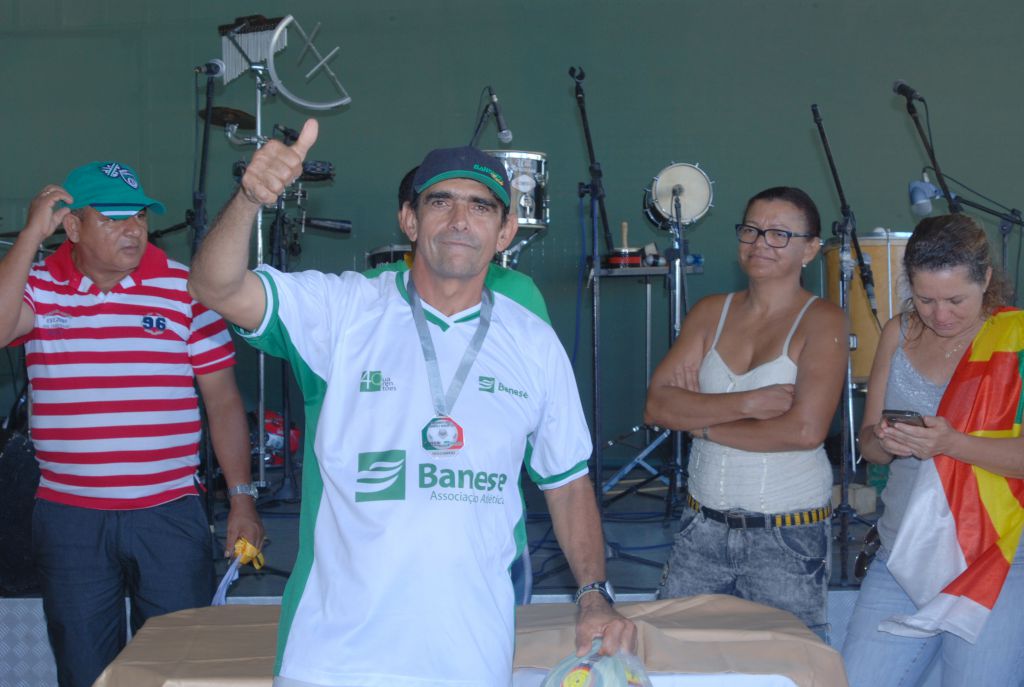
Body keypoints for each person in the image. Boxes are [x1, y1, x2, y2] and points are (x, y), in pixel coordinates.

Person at [188, 121, 636, 687]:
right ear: (409, 219)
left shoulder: (533, 343)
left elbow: (567, 483)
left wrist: (594, 594)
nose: (459, 220)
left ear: (505, 232)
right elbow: (216, 286)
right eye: (440, 201)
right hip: (332, 662)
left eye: (481, 206)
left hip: (469, 661)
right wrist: (250, 198)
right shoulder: (344, 311)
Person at [0, 161, 264, 687]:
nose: (133, 230)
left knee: (178, 668)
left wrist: (241, 497)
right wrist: (30, 236)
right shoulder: (40, 287)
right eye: (113, 218)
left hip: (169, 513)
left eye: (139, 216)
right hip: (71, 517)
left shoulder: (187, 287)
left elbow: (223, 401)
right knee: (85, 670)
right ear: (72, 227)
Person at [644, 186, 847, 632]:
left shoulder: (823, 320)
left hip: (787, 536)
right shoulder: (709, 312)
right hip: (701, 527)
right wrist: (748, 403)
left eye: (779, 234)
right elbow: (658, 405)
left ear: (810, 249)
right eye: (751, 230)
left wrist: (703, 425)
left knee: (785, 662)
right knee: (675, 656)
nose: (760, 243)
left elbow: (803, 431)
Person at [842, 214, 1024, 687]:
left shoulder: (1016, 339)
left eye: (955, 300)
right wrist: (885, 439)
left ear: (985, 279)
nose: (940, 315)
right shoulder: (898, 333)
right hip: (902, 550)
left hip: (996, 556)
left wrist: (951, 444)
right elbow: (869, 448)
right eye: (925, 299)